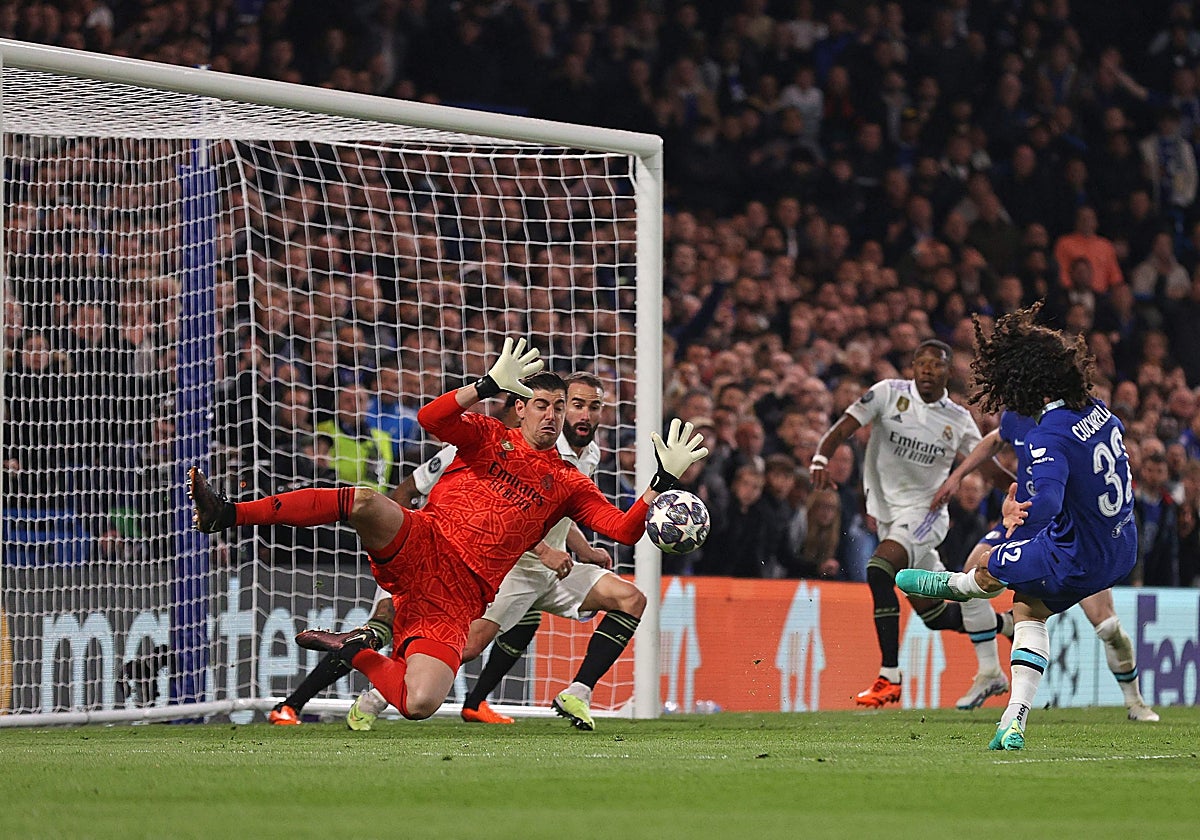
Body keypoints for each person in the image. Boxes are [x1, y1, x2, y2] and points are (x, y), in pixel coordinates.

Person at [189, 338, 707, 723]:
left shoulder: (568, 481)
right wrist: (483, 386)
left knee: (420, 702)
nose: (551, 417)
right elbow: (429, 417)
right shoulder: (486, 435)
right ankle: (229, 513)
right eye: (542, 405)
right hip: (424, 541)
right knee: (367, 501)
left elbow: (621, 530)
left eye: (558, 408)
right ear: (520, 407)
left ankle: (358, 651)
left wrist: (660, 482)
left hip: (459, 596)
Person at [897, 306, 1140, 750]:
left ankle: (958, 586)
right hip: (1121, 543)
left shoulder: (1051, 433)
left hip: (1073, 551)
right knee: (1029, 607)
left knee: (992, 566)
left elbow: (1045, 501)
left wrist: (1015, 518)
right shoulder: (1099, 410)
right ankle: (1011, 720)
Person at [346, 373, 645, 732]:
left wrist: (585, 549)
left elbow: (563, 509)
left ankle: (577, 692)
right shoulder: (531, 444)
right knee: (467, 646)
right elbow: (505, 504)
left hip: (556, 568)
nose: (584, 415)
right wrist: (544, 549)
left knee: (630, 598)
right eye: (577, 405)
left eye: (591, 407)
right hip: (512, 566)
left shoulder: (590, 453)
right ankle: (375, 696)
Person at [810, 339, 1013, 707]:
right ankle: (1007, 625)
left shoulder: (956, 418)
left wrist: (1019, 490)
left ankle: (889, 676)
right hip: (888, 517)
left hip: (925, 516)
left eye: (935, 365)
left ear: (948, 371)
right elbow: (843, 427)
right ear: (912, 367)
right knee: (938, 616)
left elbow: (986, 464)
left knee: (878, 570)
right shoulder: (887, 394)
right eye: (920, 363)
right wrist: (821, 458)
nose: (926, 370)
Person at [931, 413, 1158, 721]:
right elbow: (995, 439)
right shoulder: (1019, 413)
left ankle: (1135, 702)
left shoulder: (1065, 423)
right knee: (974, 568)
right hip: (1022, 518)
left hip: (1065, 529)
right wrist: (957, 476)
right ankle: (989, 670)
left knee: (1106, 625)